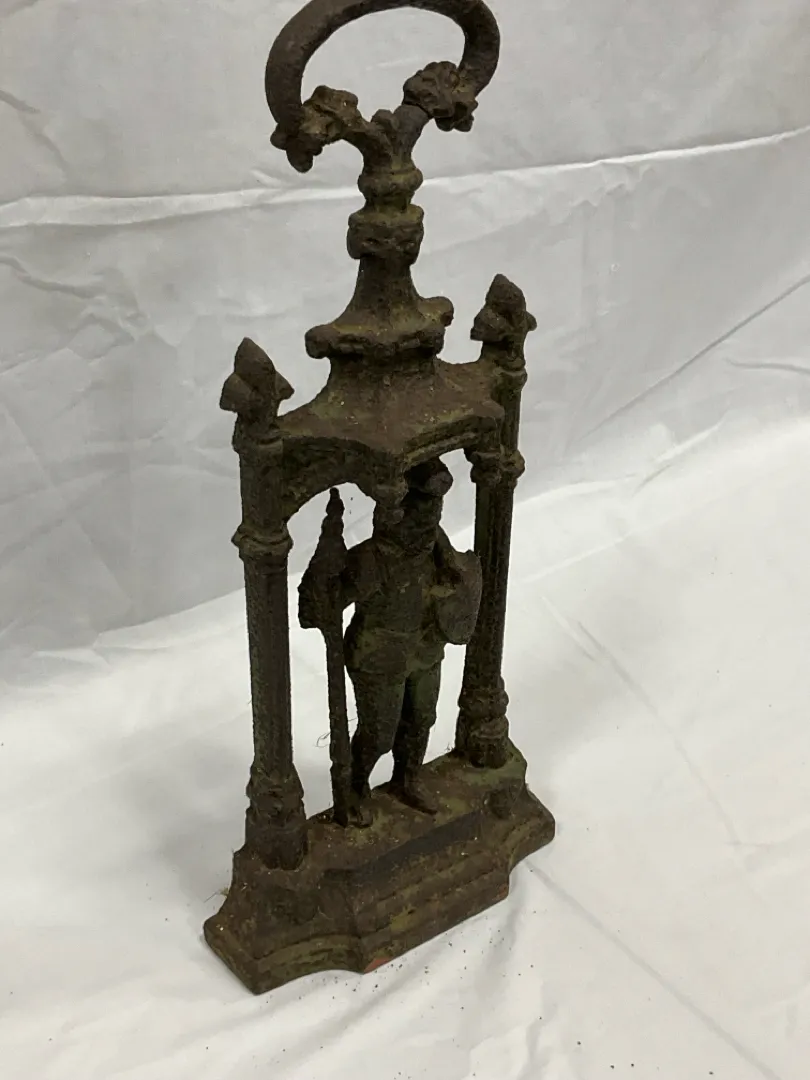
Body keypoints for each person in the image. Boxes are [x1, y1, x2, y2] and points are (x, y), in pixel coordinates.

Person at [337, 458, 482, 824]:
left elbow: (459, 578)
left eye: (434, 514)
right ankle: (354, 788)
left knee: (421, 718)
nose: (428, 523)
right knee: (379, 732)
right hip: (380, 654)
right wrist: (326, 592)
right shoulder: (370, 560)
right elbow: (322, 604)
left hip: (425, 644)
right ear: (395, 516)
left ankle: (407, 777)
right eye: (420, 516)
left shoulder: (436, 546)